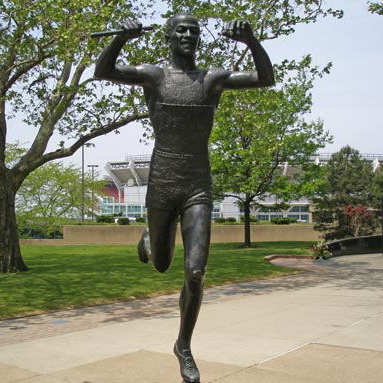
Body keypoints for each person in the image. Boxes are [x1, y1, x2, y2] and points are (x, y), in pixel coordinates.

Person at [94, 13, 274, 383]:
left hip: (197, 186)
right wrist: (121, 38)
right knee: (161, 265)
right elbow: (103, 70)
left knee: (194, 272)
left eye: (194, 30)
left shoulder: (212, 80)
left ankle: (184, 346)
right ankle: (149, 237)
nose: (189, 35)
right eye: (182, 30)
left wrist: (252, 42)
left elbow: (265, 79)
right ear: (169, 37)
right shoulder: (154, 76)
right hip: (162, 183)